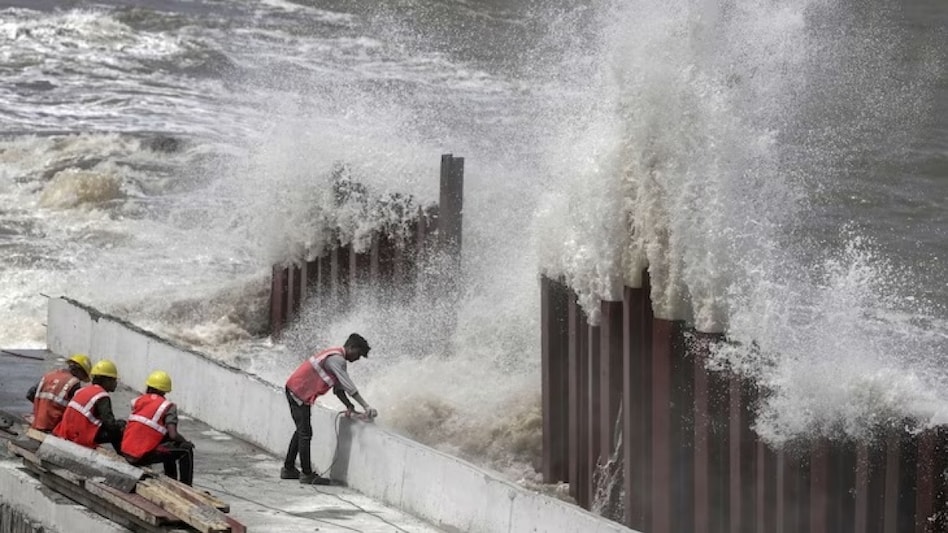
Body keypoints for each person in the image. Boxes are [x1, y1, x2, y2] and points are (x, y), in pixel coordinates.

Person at [282, 333, 377, 484]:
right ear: (351, 347)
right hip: (298, 392)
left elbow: (338, 390)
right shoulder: (337, 360)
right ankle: (306, 474)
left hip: (296, 390)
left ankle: (288, 469)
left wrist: (349, 406)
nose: (358, 359)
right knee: (305, 434)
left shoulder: (334, 356)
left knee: (301, 431)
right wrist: (366, 406)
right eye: (358, 354)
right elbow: (348, 385)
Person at [121, 371, 195, 486]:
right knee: (185, 449)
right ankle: (187, 486)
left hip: (126, 452)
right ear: (165, 390)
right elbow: (173, 435)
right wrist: (185, 442)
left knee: (168, 444)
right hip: (140, 456)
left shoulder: (139, 400)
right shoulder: (168, 406)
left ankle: (171, 477)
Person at [52, 359, 126, 452]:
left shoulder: (82, 390)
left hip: (65, 433)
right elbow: (110, 424)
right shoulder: (102, 396)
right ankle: (122, 455)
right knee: (119, 427)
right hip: (79, 437)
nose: (115, 383)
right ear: (106, 380)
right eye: (114, 380)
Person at [26, 354, 92, 432]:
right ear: (79, 370)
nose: (81, 379)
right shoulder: (74, 383)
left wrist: (43, 408)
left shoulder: (49, 376)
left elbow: (30, 394)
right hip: (55, 427)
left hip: (38, 423)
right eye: (83, 376)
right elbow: (76, 410)